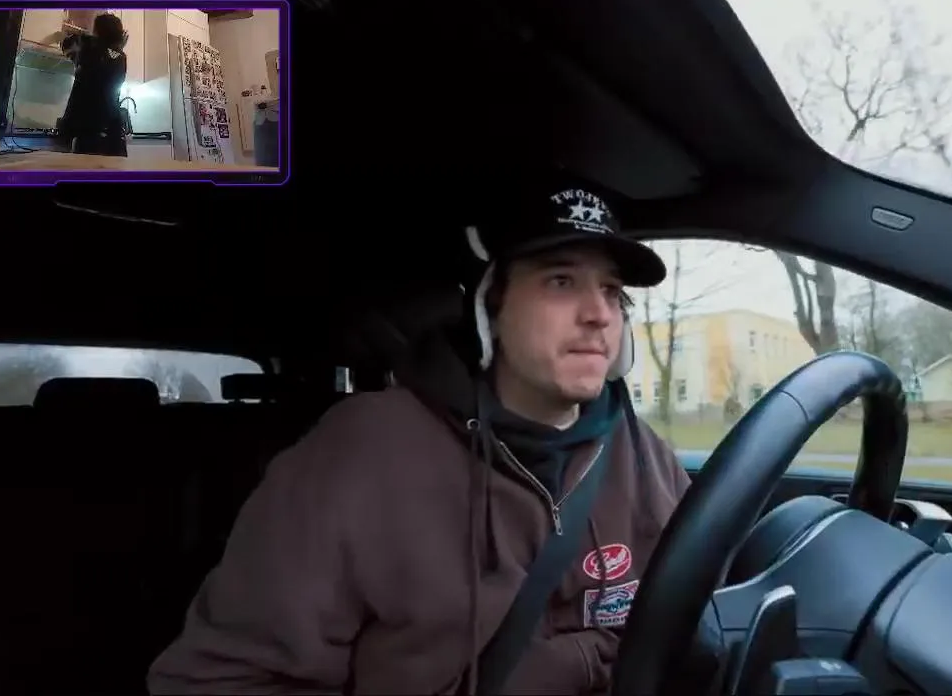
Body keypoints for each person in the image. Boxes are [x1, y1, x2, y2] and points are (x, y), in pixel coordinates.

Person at [148, 180, 692, 695]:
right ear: (489, 309)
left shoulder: (644, 456)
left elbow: (703, 617)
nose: (599, 315)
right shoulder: (363, 452)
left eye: (611, 291)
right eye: (561, 281)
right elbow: (224, 680)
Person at [58, 13, 129, 157]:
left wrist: (69, 32)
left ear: (97, 32)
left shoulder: (88, 46)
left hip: (87, 130)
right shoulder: (121, 57)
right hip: (113, 131)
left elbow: (66, 46)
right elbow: (109, 57)